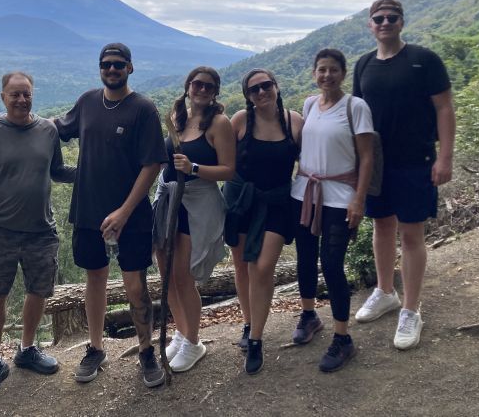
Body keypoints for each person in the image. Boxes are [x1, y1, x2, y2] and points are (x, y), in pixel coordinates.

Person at [54, 43, 168, 388]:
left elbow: (151, 166)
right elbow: (54, 129)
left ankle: (146, 351)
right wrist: (14, 121)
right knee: (95, 279)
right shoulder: (88, 102)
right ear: (99, 68)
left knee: (135, 284)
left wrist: (124, 211)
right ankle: (96, 348)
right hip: (88, 209)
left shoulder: (143, 109)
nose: (112, 69)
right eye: (106, 64)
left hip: (131, 214)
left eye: (119, 64)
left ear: (130, 68)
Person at [0, 72, 76, 398]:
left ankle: (27, 350)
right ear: (3, 97)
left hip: (41, 229)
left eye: (26, 94)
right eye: (15, 94)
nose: (21, 100)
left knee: (38, 290)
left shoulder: (48, 130)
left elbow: (56, 170)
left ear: (33, 95)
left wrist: (91, 172)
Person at [353, 0, 455, 350]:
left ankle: (411, 309)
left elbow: (444, 108)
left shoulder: (424, 60)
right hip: (377, 164)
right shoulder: (364, 64)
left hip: (416, 159)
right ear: (370, 25)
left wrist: (445, 157)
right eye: (378, 18)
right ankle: (385, 291)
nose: (385, 23)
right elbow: (357, 116)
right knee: (382, 225)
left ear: (401, 22)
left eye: (391, 17)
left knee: (412, 234)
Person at [290, 49, 374, 372]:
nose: (327, 75)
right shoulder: (310, 104)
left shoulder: (355, 107)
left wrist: (359, 199)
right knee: (306, 258)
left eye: (333, 70)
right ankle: (309, 315)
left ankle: (343, 338)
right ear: (314, 73)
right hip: (305, 193)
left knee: (333, 264)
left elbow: (366, 157)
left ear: (343, 72)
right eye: (322, 70)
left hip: (340, 196)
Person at [153, 67, 235, 373]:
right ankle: (181, 331)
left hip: (198, 202)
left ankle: (194, 341)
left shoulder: (219, 123)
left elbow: (229, 170)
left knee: (184, 275)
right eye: (196, 84)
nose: (201, 89)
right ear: (188, 87)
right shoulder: (177, 117)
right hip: (169, 198)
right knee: (166, 273)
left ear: (215, 92)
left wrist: (195, 167)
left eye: (208, 86)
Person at [223, 69, 302, 375]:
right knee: (242, 265)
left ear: (276, 86)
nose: (261, 92)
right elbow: (221, 156)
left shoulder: (294, 122)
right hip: (242, 201)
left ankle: (256, 339)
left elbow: (310, 163)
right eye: (254, 89)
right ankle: (248, 322)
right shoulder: (240, 121)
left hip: (277, 203)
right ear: (248, 95)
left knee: (263, 266)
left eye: (265, 86)